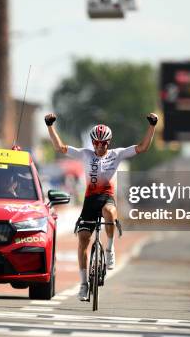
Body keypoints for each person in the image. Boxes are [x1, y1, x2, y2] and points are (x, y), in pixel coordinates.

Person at [44, 112, 158, 301]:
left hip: (107, 197)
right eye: (96, 142)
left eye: (103, 143)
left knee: (109, 211)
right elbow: (59, 147)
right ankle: (83, 283)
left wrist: (152, 126)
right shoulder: (85, 154)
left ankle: (110, 248)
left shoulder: (117, 154)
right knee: (83, 241)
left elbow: (143, 147)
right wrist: (50, 126)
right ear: (92, 142)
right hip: (90, 200)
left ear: (109, 143)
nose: (99, 146)